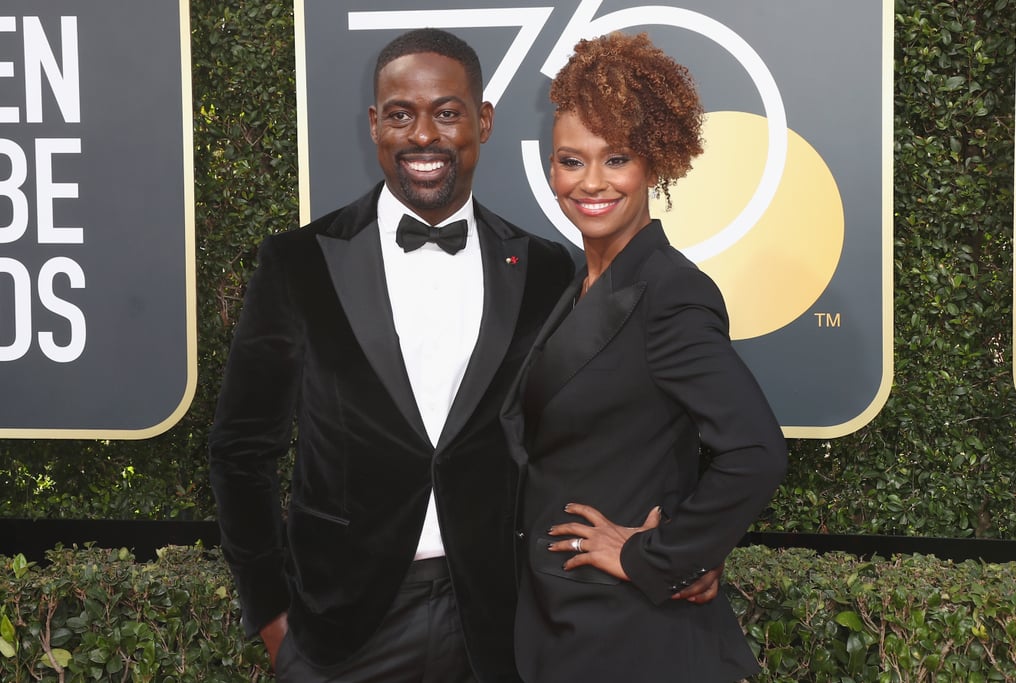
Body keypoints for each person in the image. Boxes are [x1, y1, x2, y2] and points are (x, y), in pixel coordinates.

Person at [207, 28, 578, 682]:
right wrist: (270, 614)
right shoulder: (298, 263)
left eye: (447, 111)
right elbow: (241, 447)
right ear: (376, 125)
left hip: (497, 623)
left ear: (483, 121)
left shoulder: (546, 269)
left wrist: (668, 541)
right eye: (401, 114)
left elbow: (581, 432)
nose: (423, 136)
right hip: (342, 630)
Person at [500, 32, 788, 682]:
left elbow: (756, 451)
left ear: (653, 164)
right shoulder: (569, 286)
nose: (591, 183)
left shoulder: (670, 292)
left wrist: (657, 555)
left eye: (617, 158)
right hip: (556, 623)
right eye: (571, 161)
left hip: (628, 635)